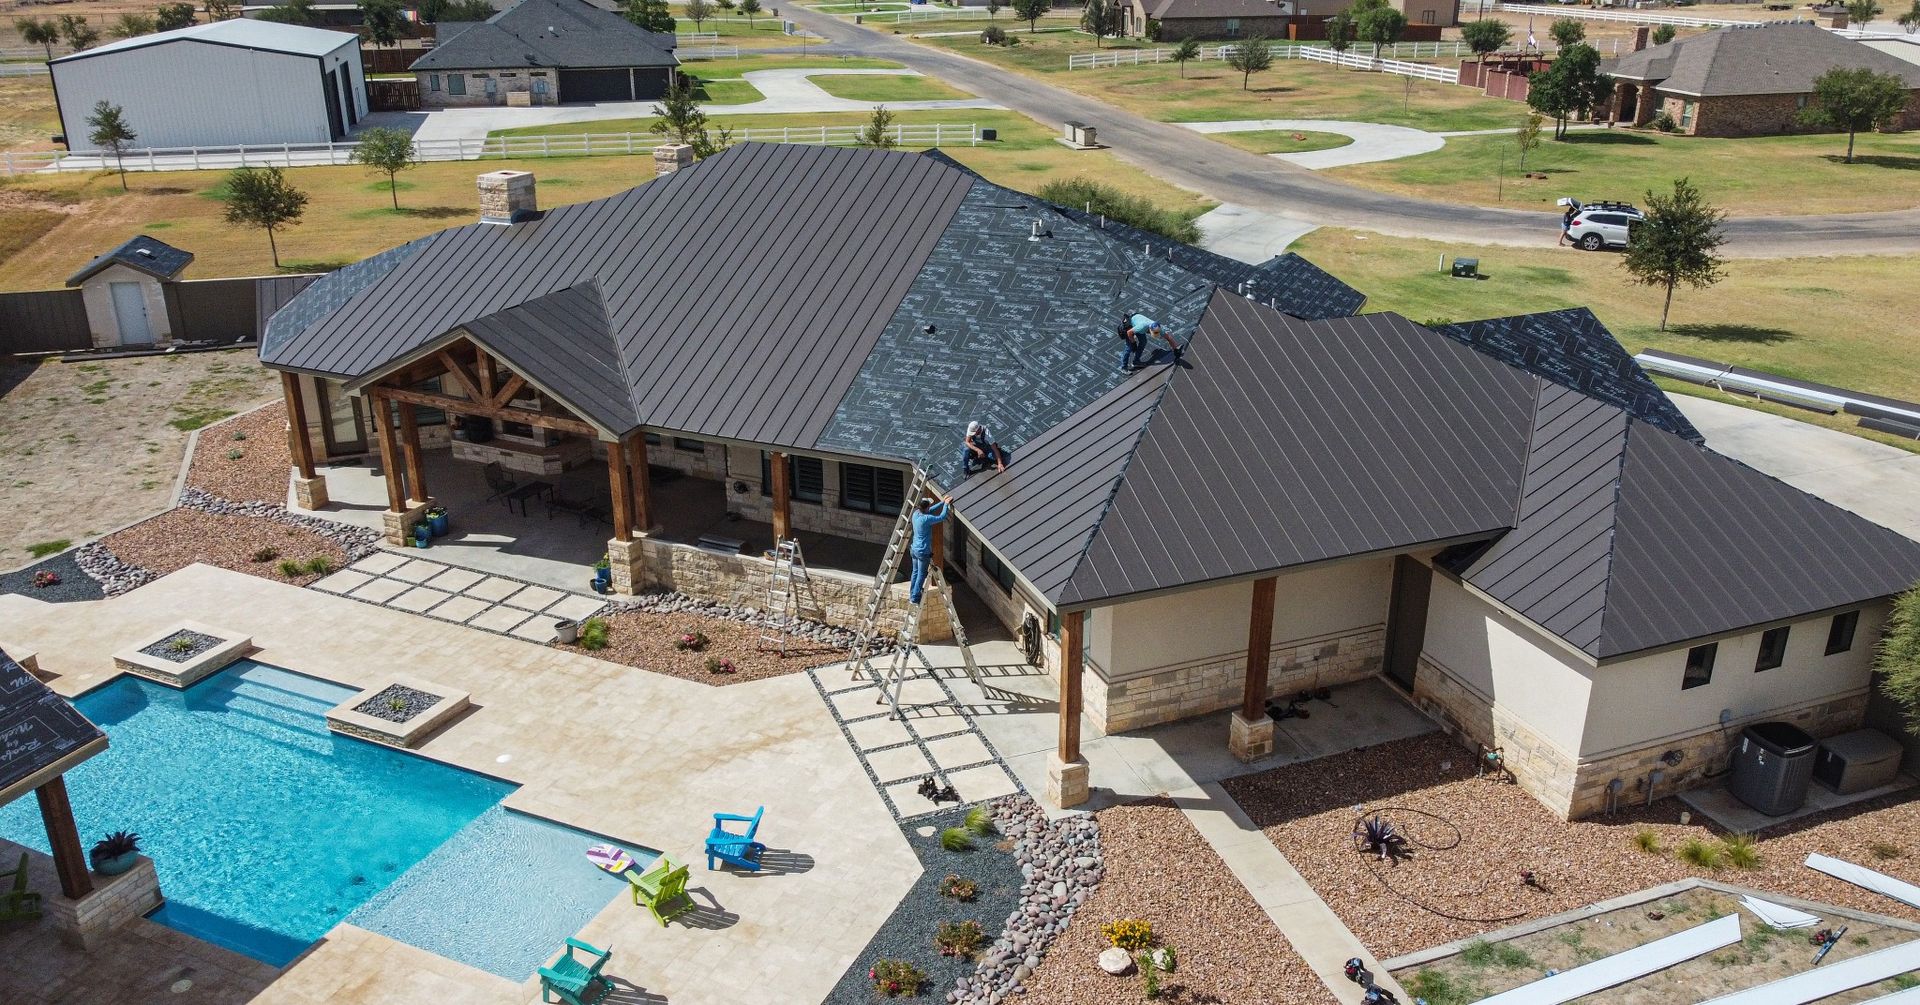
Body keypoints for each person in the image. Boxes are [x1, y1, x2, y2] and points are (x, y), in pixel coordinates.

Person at [908, 494, 950, 605]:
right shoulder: (927, 519)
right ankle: (915, 597)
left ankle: (912, 593)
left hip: (914, 549)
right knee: (921, 574)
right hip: (923, 551)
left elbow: (930, 509)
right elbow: (942, 517)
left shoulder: (916, 514)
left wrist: (942, 502)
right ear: (925, 508)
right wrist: (946, 505)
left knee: (915, 572)